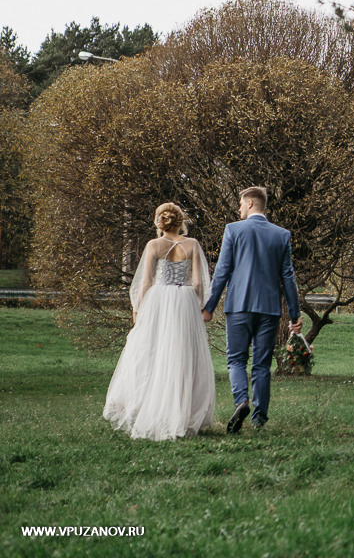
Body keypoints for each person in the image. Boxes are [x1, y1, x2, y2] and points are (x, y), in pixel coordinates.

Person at [103, 203, 216, 440]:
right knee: (183, 357)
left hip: (158, 300)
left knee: (152, 353)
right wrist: (195, 305)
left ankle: (149, 408)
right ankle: (182, 415)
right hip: (185, 300)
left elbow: (145, 283)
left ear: (159, 222)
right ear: (180, 221)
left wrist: (138, 310)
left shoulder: (153, 245)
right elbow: (198, 283)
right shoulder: (192, 244)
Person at [202, 186, 302, 432]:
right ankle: (259, 419)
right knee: (261, 364)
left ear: (249, 203)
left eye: (239, 203)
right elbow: (288, 277)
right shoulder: (282, 235)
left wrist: (209, 306)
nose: (238, 208)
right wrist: (295, 315)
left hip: (238, 306)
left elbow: (222, 271)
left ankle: (241, 402)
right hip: (269, 309)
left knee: (236, 360)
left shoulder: (233, 230)